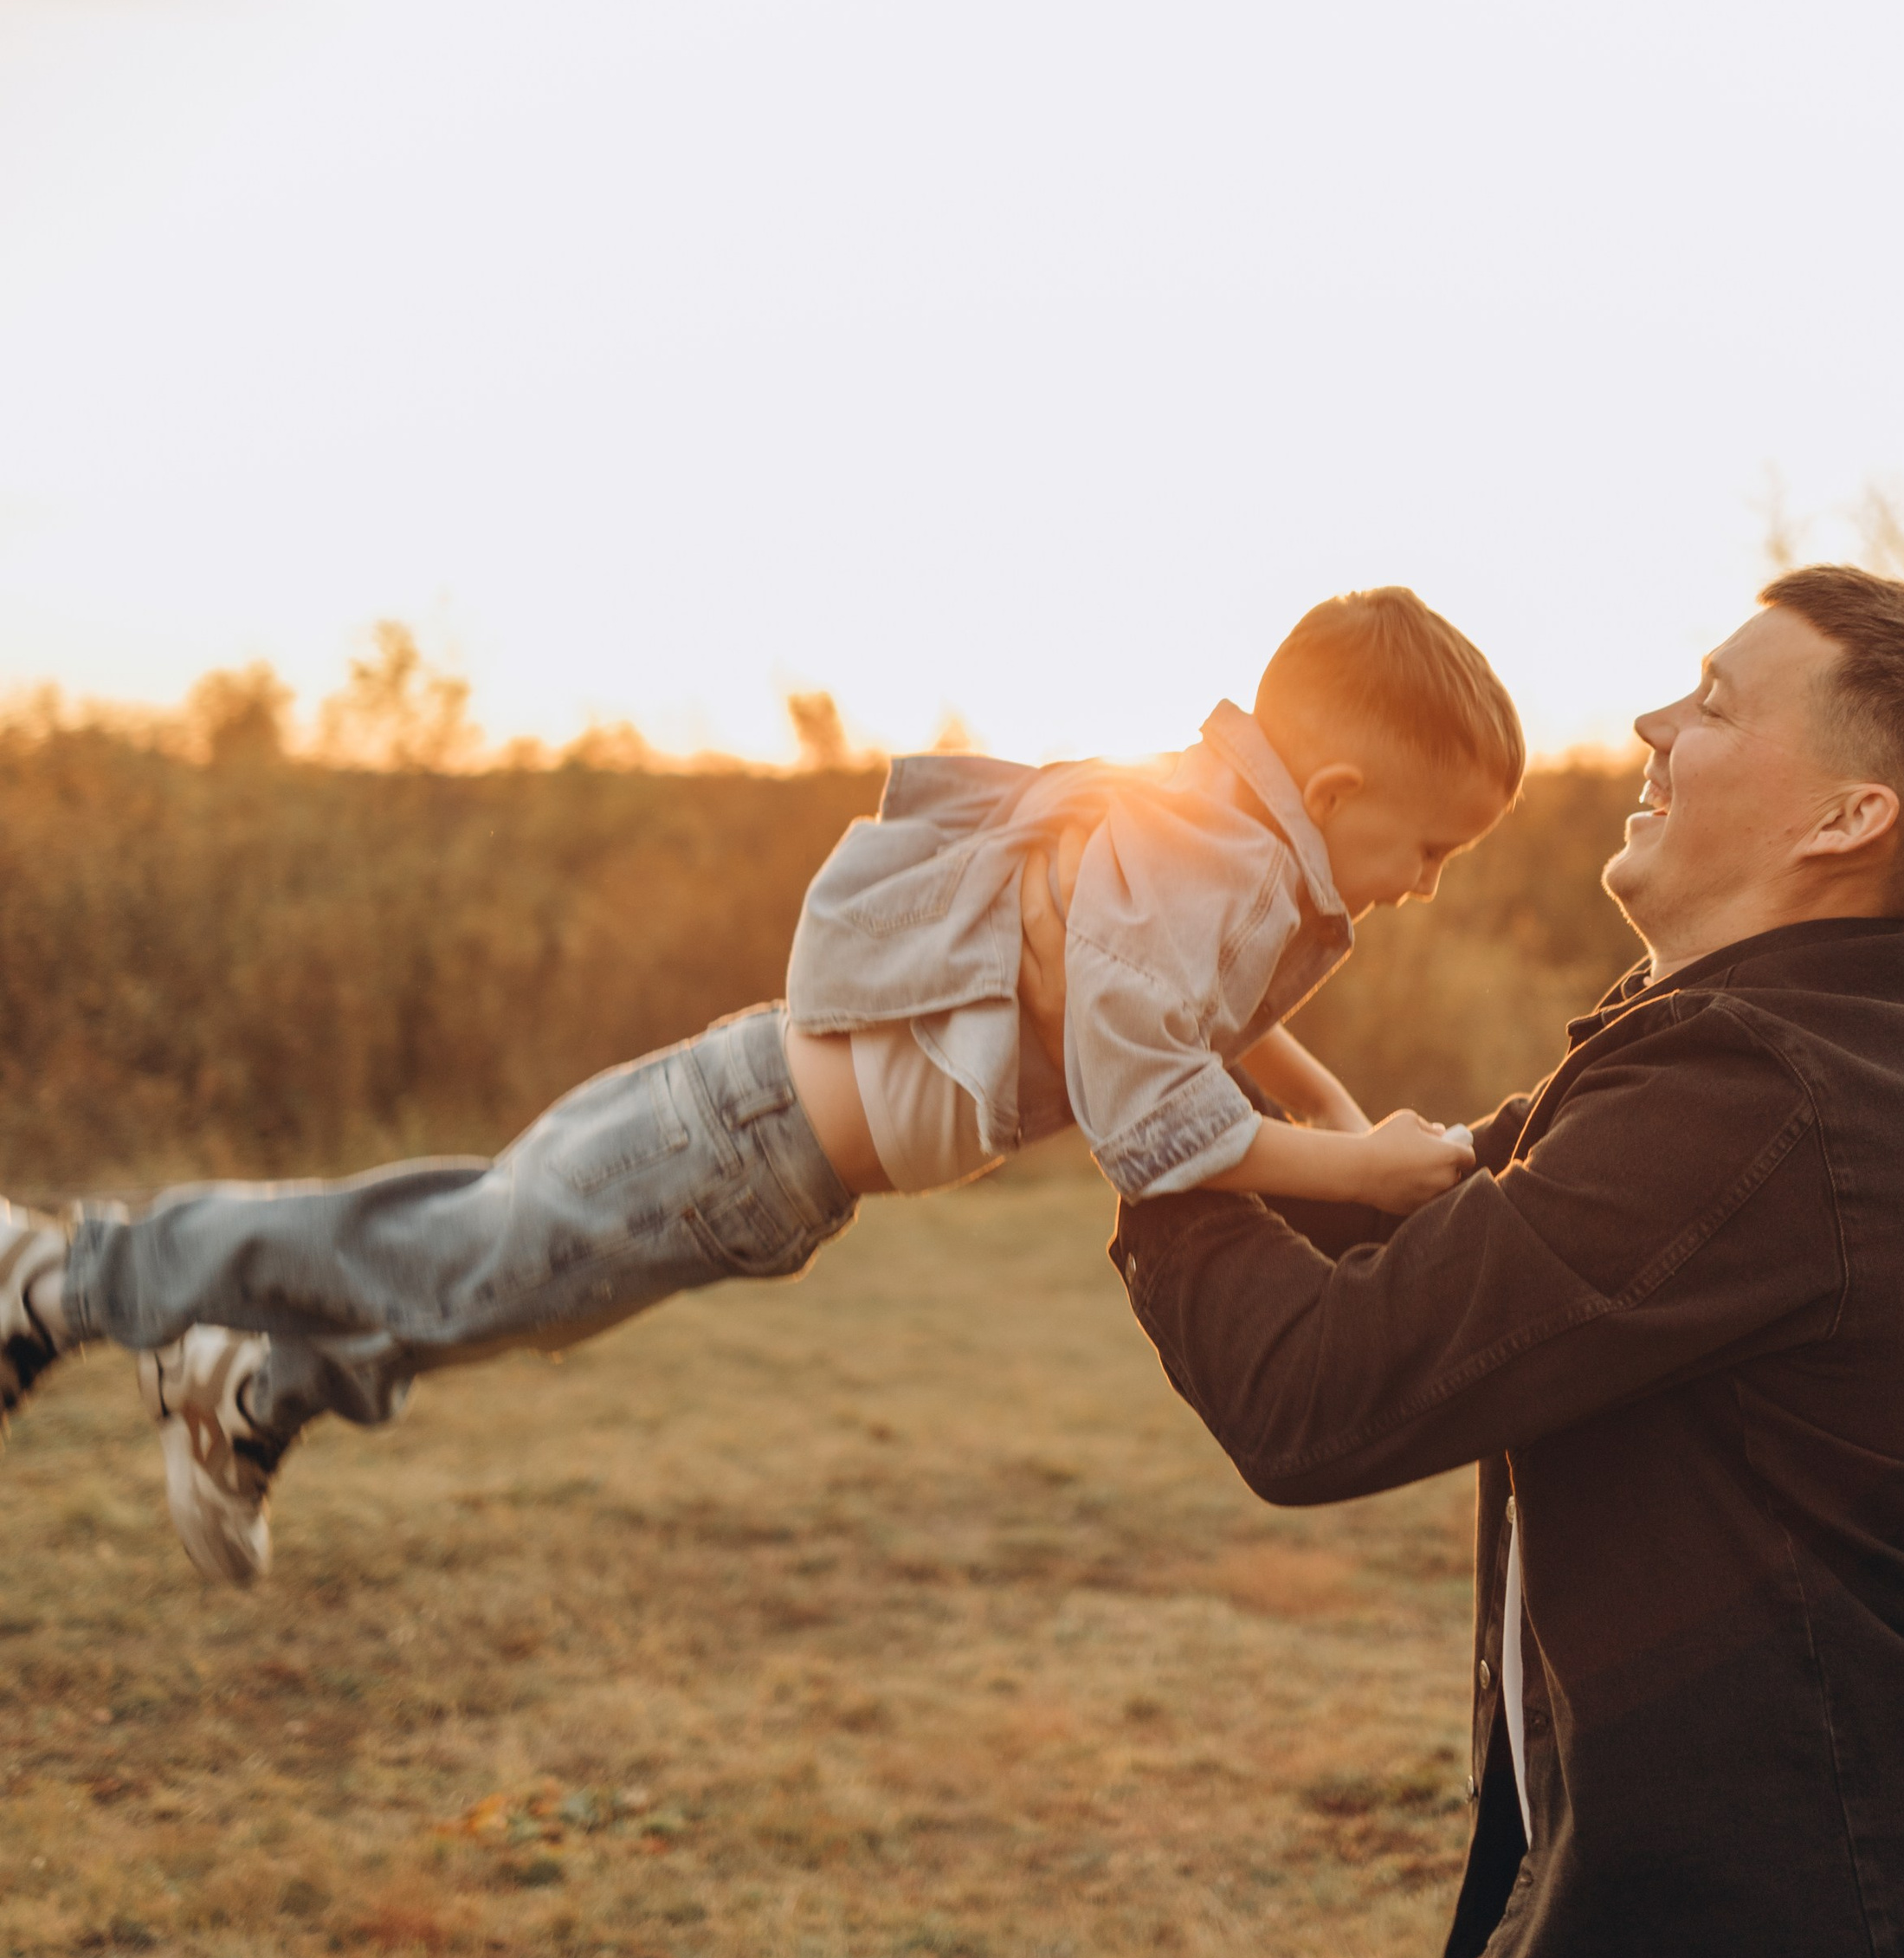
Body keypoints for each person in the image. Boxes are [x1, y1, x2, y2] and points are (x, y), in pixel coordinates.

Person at [1054, 566, 1904, 1958]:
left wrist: (1147, 1123)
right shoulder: (1713, 1049)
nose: (1654, 726)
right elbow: (1427, 1238)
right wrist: (1166, 1024)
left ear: (1845, 818)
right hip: (1623, 1900)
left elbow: (1324, 1394)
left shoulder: (1763, 1100)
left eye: (1715, 704)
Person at [0, 587, 1519, 1591]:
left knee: (500, 1288)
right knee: (452, 1259)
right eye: (1432, 849)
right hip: (742, 1133)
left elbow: (1196, 1026)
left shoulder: (1218, 843)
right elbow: (1153, 1121)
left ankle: (250, 1384)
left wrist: (1336, 1111)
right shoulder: (1209, 862)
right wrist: (1362, 1171)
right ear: (1334, 797)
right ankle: (67, 1279)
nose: (1429, 886)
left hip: (762, 1153)